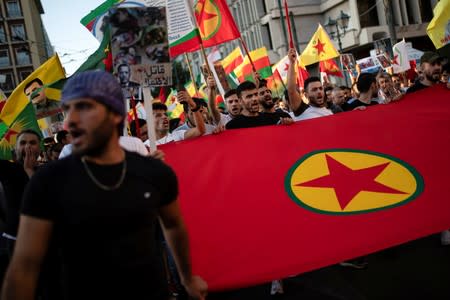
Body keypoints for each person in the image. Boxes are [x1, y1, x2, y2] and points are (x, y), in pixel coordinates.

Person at [1, 70, 208, 300]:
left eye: (84, 108)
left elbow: (173, 226)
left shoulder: (154, 173)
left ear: (115, 114)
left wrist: (187, 277)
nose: (70, 121)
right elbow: (24, 267)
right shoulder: (47, 182)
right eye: (68, 109)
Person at [225, 81, 292, 129]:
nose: (254, 98)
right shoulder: (232, 126)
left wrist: (287, 125)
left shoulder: (272, 119)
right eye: (249, 96)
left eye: (256, 94)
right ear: (240, 101)